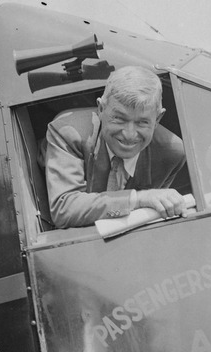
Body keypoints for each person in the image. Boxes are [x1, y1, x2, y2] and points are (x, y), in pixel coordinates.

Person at [44, 65, 187, 229]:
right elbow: (64, 209)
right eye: (119, 119)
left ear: (158, 119)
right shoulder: (68, 133)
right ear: (101, 109)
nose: (129, 134)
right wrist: (137, 198)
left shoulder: (171, 154)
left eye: (142, 122)